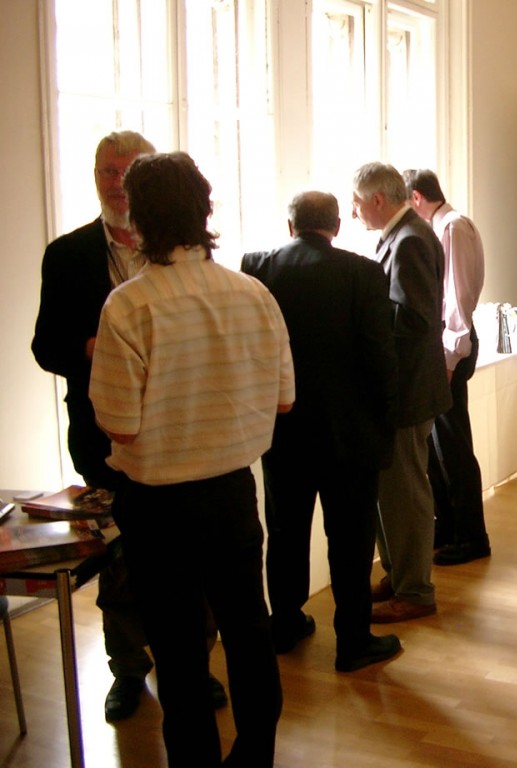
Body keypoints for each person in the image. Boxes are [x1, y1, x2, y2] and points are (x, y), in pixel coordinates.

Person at [89, 151, 293, 767]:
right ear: (205, 212)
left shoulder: (128, 306)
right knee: (248, 630)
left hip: (159, 506)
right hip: (232, 491)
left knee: (178, 653)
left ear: (139, 218)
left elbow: (120, 424)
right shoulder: (254, 294)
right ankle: (256, 755)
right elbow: (285, 399)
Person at [31, 130, 226, 723]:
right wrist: (95, 347)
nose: (116, 183)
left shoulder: (185, 252)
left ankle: (192, 665)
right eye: (106, 171)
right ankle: (127, 669)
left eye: (127, 171)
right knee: (119, 561)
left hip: (181, 430)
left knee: (191, 558)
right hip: (104, 435)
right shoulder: (67, 254)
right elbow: (45, 346)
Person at [241, 191, 402, 671]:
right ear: (336, 226)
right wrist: (386, 420)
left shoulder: (257, 267)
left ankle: (286, 623)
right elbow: (379, 356)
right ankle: (352, 641)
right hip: (349, 433)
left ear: (290, 226)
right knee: (350, 540)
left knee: (285, 532)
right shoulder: (362, 273)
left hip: (281, 428)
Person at [352, 162, 451, 622]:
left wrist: (359, 314)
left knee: (405, 493)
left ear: (377, 199)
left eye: (357, 203)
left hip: (408, 389)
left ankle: (415, 589)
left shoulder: (410, 239)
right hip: (406, 387)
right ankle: (399, 574)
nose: (353, 212)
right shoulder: (405, 233)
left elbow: (413, 318)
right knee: (393, 492)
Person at [403, 169, 490, 566]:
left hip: (451, 349)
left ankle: (472, 536)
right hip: (442, 349)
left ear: (416, 197)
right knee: (439, 446)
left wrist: (451, 356)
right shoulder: (441, 227)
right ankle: (449, 527)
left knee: (453, 447)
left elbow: (457, 298)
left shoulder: (453, 227)